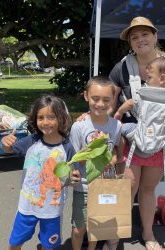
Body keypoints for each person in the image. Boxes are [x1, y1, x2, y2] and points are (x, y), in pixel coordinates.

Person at [109, 16, 165, 250]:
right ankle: (115, 234)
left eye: (145, 34)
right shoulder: (122, 67)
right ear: (130, 43)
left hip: (158, 140)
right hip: (132, 139)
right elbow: (110, 103)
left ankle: (148, 234)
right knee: (129, 187)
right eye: (134, 37)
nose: (140, 40)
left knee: (147, 189)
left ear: (155, 36)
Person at [1, 95, 81, 250]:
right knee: (15, 242)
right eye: (40, 117)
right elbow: (10, 149)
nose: (45, 122)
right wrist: (5, 144)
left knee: (49, 246)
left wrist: (73, 179)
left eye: (51, 117)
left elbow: (71, 177)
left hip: (52, 210)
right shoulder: (32, 140)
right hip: (27, 206)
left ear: (61, 118)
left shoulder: (67, 147)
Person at [69, 76, 122, 250]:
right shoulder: (79, 126)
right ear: (86, 96)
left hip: (104, 186)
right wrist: (94, 150)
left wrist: (112, 159)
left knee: (96, 227)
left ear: (112, 100)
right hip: (83, 187)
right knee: (78, 229)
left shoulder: (116, 126)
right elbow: (75, 158)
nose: (100, 104)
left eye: (106, 99)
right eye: (95, 98)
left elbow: (114, 152)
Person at [114, 57, 165, 187]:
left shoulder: (144, 93)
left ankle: (120, 157)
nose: (146, 81)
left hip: (140, 131)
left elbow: (130, 104)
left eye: (149, 78)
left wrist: (119, 113)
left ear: (161, 78)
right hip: (162, 134)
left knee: (120, 130)